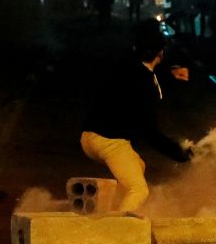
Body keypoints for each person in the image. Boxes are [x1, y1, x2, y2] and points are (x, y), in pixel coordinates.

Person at [80, 19, 192, 213]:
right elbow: (150, 133)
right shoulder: (145, 87)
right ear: (160, 53)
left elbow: (145, 70)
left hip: (88, 137)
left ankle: (110, 208)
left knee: (137, 166)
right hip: (110, 142)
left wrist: (170, 72)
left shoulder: (127, 64)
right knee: (139, 190)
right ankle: (117, 231)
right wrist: (178, 153)